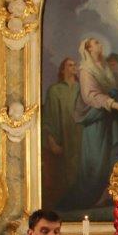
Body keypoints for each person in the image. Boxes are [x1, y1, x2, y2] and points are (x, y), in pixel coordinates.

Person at [61, 37, 118, 211]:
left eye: (99, 42)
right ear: (88, 49)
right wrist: (117, 105)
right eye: (95, 43)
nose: (100, 44)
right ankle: (88, 198)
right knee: (97, 162)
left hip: (110, 119)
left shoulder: (105, 67)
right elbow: (90, 96)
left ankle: (108, 195)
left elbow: (116, 89)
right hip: (96, 121)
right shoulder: (86, 70)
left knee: (113, 157)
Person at [41, 57, 82, 208]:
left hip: (80, 136)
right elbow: (49, 118)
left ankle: (80, 199)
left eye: (75, 65)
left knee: (81, 167)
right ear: (63, 70)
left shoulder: (82, 88)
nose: (73, 67)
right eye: (70, 65)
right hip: (64, 136)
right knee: (63, 171)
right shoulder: (55, 90)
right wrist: (52, 142)